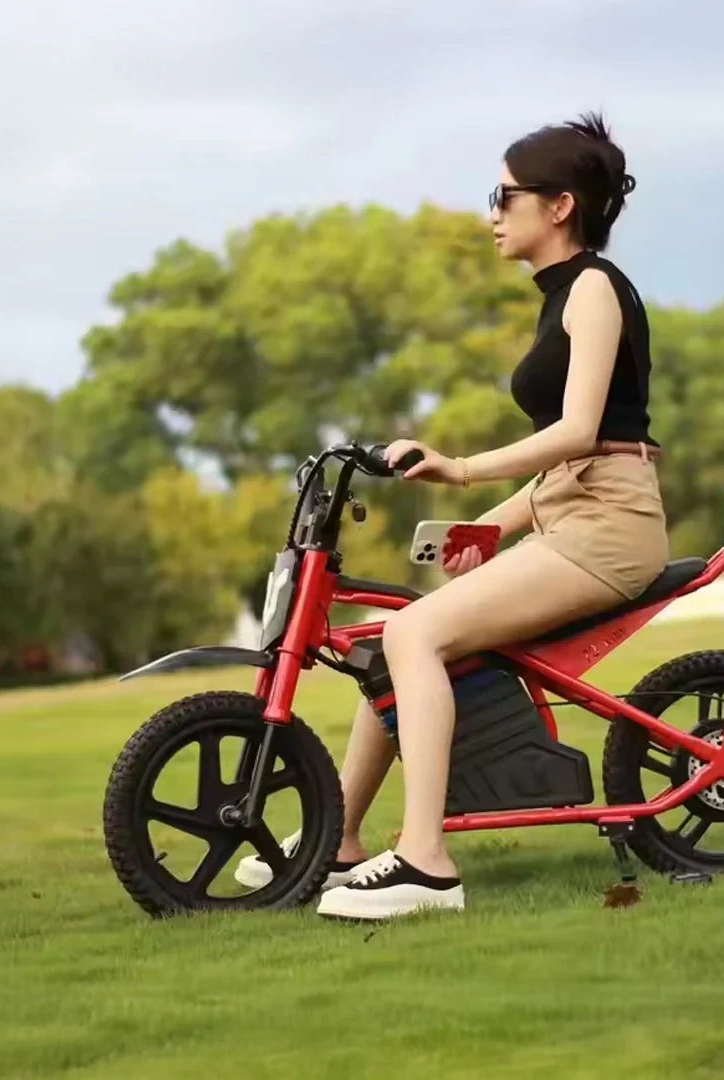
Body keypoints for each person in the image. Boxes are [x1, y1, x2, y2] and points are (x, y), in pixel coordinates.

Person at [236, 111, 669, 921]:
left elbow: (580, 437)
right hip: (573, 516)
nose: (492, 214)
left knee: (414, 635)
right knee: (389, 644)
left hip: (609, 532)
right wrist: (495, 527)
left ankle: (428, 864)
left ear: (560, 206)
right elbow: (576, 459)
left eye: (505, 196)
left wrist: (462, 471)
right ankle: (342, 845)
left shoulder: (596, 290)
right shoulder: (564, 300)